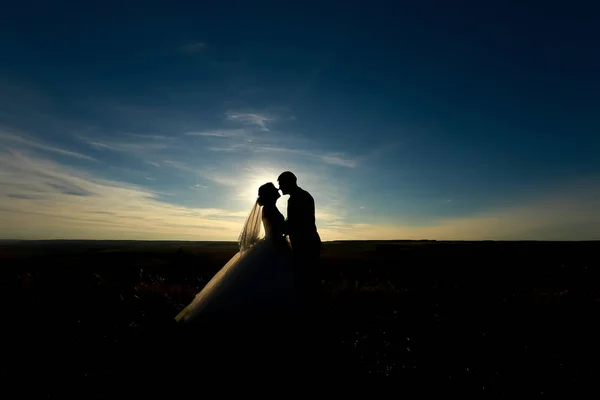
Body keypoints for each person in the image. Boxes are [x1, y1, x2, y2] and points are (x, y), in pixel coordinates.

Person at [174, 182, 294, 325]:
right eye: (274, 190)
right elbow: (279, 229)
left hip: (273, 245)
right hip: (275, 247)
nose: (278, 190)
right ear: (270, 195)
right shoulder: (270, 208)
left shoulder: (269, 208)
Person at [277, 171, 322, 314]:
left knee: (308, 277)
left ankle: (311, 309)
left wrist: (280, 229)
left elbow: (298, 223)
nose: (280, 188)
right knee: (307, 277)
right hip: (306, 242)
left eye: (281, 184)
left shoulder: (298, 198)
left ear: (289, 182)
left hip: (306, 243)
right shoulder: (301, 196)